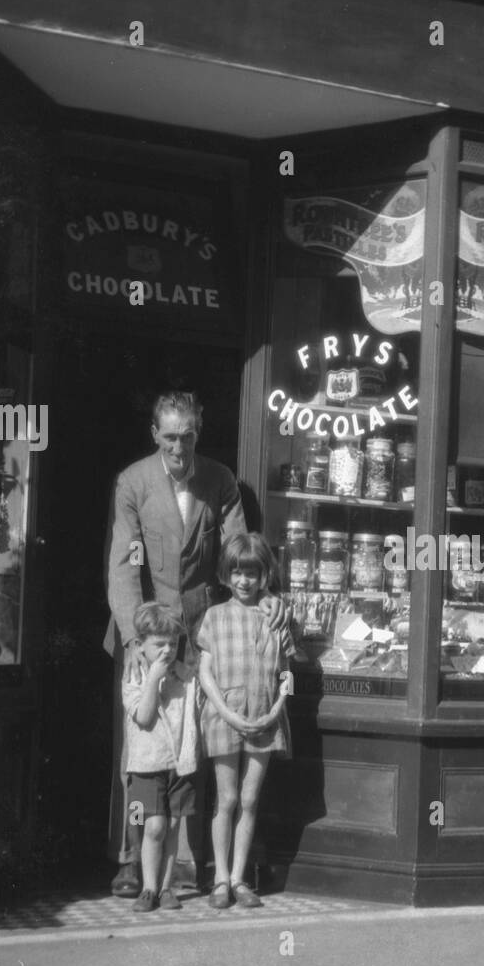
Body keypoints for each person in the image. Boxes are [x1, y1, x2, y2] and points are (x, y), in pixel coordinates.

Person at [104, 390, 283, 897]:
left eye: (187, 436)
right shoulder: (133, 483)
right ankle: (131, 859)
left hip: (202, 630)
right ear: (154, 435)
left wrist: (263, 596)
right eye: (169, 437)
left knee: (193, 741)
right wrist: (137, 638)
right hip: (147, 633)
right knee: (141, 742)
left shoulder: (219, 480)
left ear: (198, 433)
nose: (178, 447)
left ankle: (184, 862)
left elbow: (237, 555)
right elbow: (125, 565)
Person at [196, 532, 292, 909]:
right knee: (228, 797)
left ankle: (239, 878)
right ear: (226, 574)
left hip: (264, 717)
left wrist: (275, 709)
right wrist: (224, 710)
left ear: (263, 574)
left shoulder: (276, 617)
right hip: (225, 717)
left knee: (250, 799)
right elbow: (205, 672)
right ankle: (219, 878)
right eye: (236, 572)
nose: (243, 580)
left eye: (251, 572)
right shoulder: (215, 617)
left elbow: (287, 673)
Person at [121, 603, 199, 912]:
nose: (167, 650)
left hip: (179, 763)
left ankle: (166, 888)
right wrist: (153, 676)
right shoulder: (134, 676)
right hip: (147, 764)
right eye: (159, 644)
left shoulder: (184, 676)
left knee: (173, 825)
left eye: (173, 643)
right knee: (152, 826)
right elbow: (144, 715)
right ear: (141, 645)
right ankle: (148, 886)